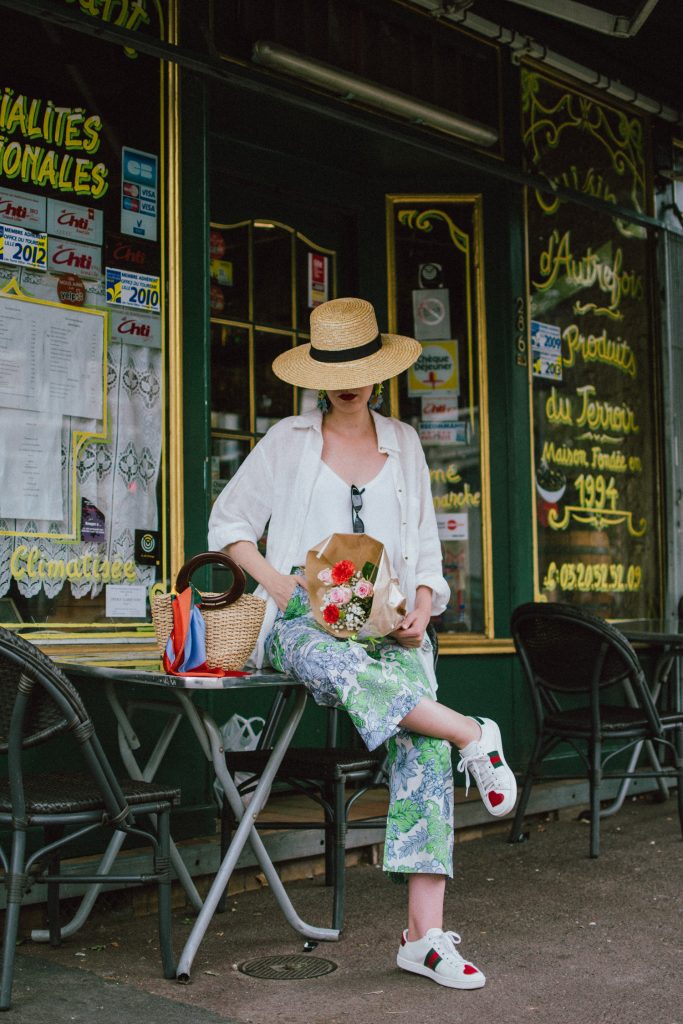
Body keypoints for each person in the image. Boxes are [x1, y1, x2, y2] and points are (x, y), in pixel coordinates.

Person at [208, 296, 517, 990]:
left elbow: (428, 550)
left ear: (376, 370)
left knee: (422, 740)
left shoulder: (403, 441)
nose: (346, 380)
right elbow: (225, 522)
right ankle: (473, 731)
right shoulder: (287, 440)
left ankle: (423, 937)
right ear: (316, 373)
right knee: (338, 660)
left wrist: (425, 609)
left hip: (385, 621)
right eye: (332, 368)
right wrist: (279, 587)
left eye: (358, 366)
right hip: (301, 621)